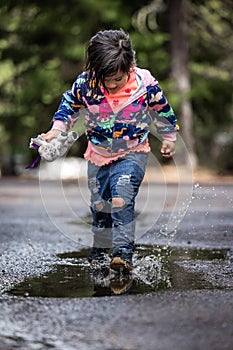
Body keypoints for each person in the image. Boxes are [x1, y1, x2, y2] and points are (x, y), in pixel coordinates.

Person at [39, 29, 178, 273]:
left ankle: (123, 254)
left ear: (130, 66)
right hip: (98, 155)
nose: (112, 85)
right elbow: (68, 108)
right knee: (100, 206)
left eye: (118, 79)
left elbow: (162, 108)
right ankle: (101, 247)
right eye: (107, 79)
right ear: (95, 69)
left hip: (133, 151)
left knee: (121, 197)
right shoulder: (86, 83)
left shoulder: (145, 84)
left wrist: (168, 137)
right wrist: (55, 131)